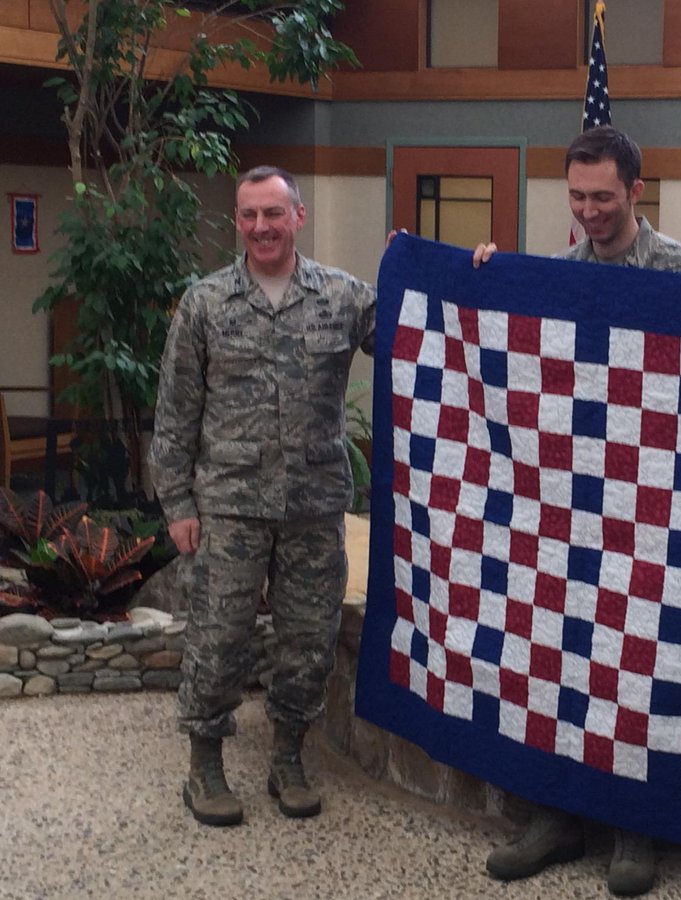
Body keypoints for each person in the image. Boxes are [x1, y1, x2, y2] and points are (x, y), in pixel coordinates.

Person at [473, 126, 681, 895]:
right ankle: (557, 816)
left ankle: (633, 825)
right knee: (557, 653)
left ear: (635, 192)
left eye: (603, 197)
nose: (589, 211)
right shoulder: (555, 275)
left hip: (656, 510)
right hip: (569, 507)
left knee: (644, 660)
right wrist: (490, 280)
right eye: (577, 196)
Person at [149, 165, 376, 827]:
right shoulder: (207, 302)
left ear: (298, 217)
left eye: (272, 214)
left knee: (308, 640)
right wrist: (178, 505)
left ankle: (288, 757)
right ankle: (205, 765)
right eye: (248, 215)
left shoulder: (342, 297)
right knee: (220, 639)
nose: (260, 228)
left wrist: (453, 269)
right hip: (230, 506)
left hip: (312, 506)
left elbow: (419, 334)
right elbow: (175, 410)